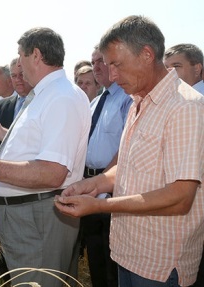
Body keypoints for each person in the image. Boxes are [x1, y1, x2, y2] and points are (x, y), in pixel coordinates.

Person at [55, 15, 204, 287]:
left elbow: (181, 196)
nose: (111, 75)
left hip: (160, 265)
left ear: (146, 54)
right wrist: (94, 183)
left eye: (117, 65)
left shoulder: (185, 107)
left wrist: (100, 205)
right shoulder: (138, 102)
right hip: (129, 252)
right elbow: (129, 165)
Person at [0, 27, 91, 286]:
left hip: (38, 218)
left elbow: (53, 172)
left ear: (36, 55)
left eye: (21, 55)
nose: (18, 63)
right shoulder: (45, 95)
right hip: (31, 217)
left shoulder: (61, 97)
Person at [79, 46, 132, 287]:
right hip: (89, 185)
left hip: (113, 188)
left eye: (102, 61)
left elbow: (126, 147)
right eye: (93, 62)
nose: (97, 66)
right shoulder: (96, 102)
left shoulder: (127, 99)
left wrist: (101, 180)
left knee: (113, 259)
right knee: (95, 255)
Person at [0, 57, 33, 285]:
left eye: (21, 74)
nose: (18, 79)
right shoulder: (2, 106)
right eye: (14, 75)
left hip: (28, 187)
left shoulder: (39, 106)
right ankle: (2, 272)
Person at [163, 43, 204, 287]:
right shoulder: (173, 102)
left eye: (177, 67)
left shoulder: (194, 103)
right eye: (167, 68)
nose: (171, 74)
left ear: (198, 68)